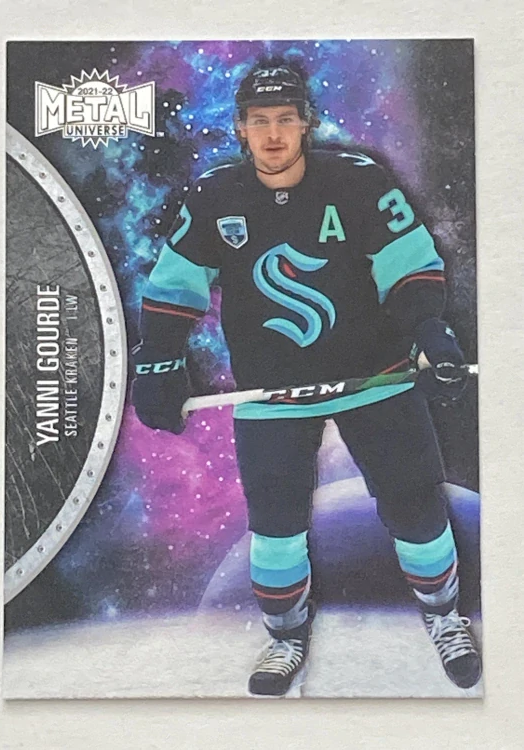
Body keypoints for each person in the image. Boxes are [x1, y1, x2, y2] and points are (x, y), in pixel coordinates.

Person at [132, 56, 481, 697]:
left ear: (306, 123)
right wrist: (159, 360)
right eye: (260, 120)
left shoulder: (359, 179)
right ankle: (286, 638)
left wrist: (430, 328)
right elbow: (175, 285)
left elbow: (409, 261)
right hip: (274, 391)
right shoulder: (213, 195)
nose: (273, 134)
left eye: (285, 119)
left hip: (375, 376)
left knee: (415, 503)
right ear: (241, 127)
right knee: (275, 526)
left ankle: (444, 617)